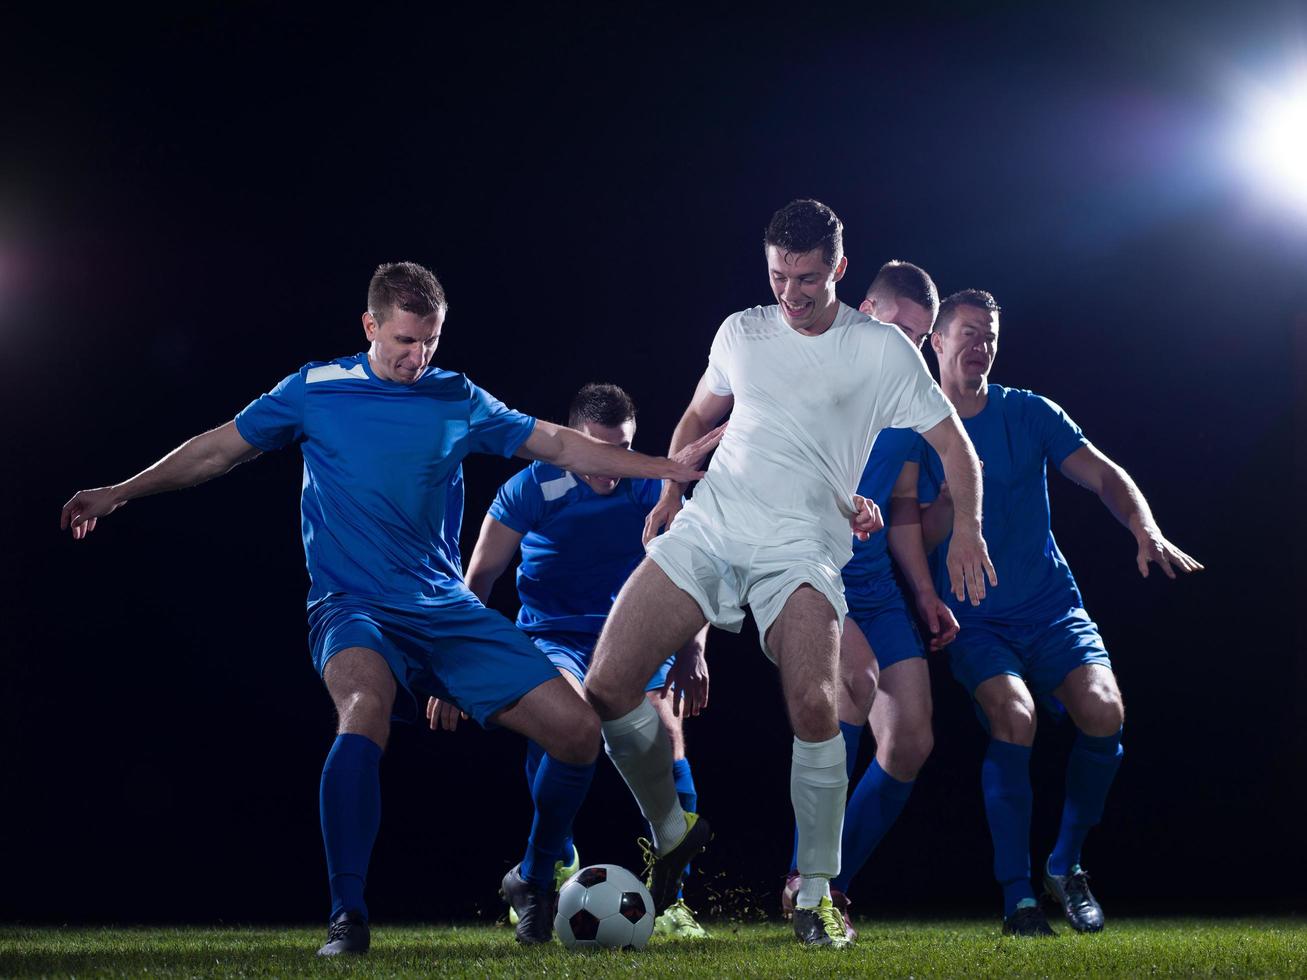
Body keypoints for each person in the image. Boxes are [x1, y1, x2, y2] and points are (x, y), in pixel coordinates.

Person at [59, 261, 720, 956]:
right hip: (353, 605)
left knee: (579, 733)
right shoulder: (315, 388)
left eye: (430, 341)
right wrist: (118, 492)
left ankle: (534, 875)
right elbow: (216, 450)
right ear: (370, 326)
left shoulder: (455, 395)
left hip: (442, 608)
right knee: (363, 711)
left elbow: (554, 440)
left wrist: (665, 468)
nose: (418, 356)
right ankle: (348, 916)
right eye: (405, 340)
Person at [583, 200, 996, 949]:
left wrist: (965, 527)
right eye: (779, 276)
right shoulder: (739, 332)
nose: (791, 293)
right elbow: (691, 420)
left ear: (839, 268)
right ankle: (673, 832)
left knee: (815, 704)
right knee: (606, 688)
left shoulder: (880, 350)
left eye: (807, 278)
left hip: (803, 547)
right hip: (712, 529)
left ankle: (813, 893)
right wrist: (674, 490)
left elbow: (955, 448)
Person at [911, 289, 1202, 936]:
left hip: (1049, 607)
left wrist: (1144, 529)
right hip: (975, 616)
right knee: (1013, 719)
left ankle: (1064, 867)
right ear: (936, 340)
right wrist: (956, 499)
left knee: (1104, 712)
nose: (978, 346)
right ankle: (1017, 896)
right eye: (965, 333)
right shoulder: (912, 428)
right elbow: (916, 539)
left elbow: (1102, 474)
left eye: (988, 335)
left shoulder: (1028, 412)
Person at [426, 382, 711, 943]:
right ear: (571, 441)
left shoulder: (650, 487)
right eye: (599, 452)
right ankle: (547, 864)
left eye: (623, 449)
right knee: (566, 728)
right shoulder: (531, 488)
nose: (610, 468)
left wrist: (694, 649)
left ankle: (673, 900)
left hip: (630, 636)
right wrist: (448, 667)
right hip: (551, 637)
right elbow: (479, 579)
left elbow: (696, 569)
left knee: (668, 739)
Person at [778, 261, 960, 937]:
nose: (906, 346)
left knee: (911, 740)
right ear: (864, 310)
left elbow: (904, 505)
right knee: (852, 685)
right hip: (810, 566)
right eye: (897, 327)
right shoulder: (805, 371)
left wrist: (925, 594)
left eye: (919, 337)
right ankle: (813, 886)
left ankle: (825, 883)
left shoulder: (910, 400)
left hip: (877, 585)